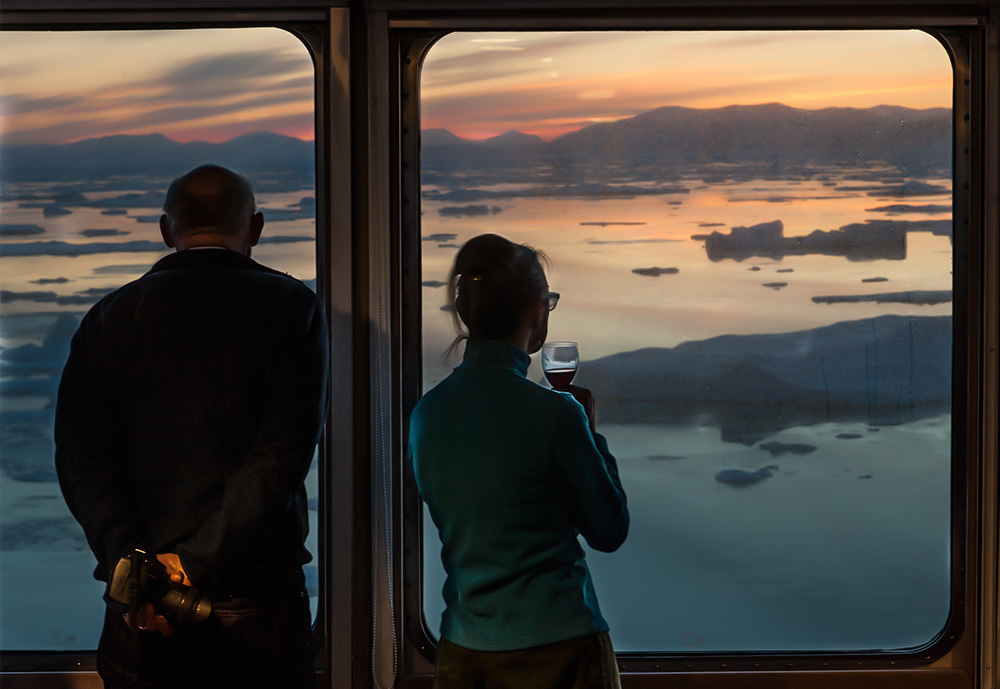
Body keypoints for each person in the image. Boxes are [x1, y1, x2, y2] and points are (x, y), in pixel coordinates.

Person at [54, 164, 329, 689]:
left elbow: (81, 459)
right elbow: (281, 458)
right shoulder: (291, 309)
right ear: (255, 227)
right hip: (255, 602)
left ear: (166, 230)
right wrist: (193, 566)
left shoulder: (110, 317)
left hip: (141, 608)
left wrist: (137, 571)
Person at [408, 233, 629, 689]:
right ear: (535, 310)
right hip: (561, 651)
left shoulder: (427, 414)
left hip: (463, 654)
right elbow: (609, 530)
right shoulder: (556, 414)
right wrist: (588, 429)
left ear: (465, 312)